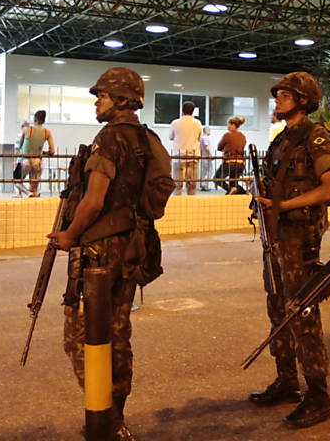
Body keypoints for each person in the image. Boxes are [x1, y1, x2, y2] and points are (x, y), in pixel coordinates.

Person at [48, 67, 151, 441]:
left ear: (122, 99)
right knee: (118, 331)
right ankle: (115, 417)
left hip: (99, 250)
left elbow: (93, 200)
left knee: (82, 334)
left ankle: (100, 412)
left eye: (102, 96)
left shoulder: (109, 139)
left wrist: (69, 235)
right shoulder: (143, 138)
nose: (97, 102)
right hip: (130, 246)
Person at [250, 71, 330, 429]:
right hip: (277, 239)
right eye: (278, 94)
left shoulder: (317, 137)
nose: (278, 99)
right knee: (277, 309)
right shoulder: (281, 140)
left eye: (285, 94)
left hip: (300, 240)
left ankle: (318, 394)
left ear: (303, 100)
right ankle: (287, 380)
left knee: (302, 314)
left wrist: (284, 206)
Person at [169, 101, 202, 195]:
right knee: (192, 185)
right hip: (193, 156)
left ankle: (177, 202)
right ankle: (191, 203)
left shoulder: (175, 123)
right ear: (193, 111)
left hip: (179, 156)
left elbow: (170, 137)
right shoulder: (197, 123)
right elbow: (199, 138)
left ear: (182, 110)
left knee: (178, 185)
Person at [19, 110, 56, 197]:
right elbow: (52, 151)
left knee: (16, 180)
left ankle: (28, 193)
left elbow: (20, 145)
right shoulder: (47, 132)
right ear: (44, 120)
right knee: (34, 187)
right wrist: (43, 152)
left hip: (25, 160)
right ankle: (33, 193)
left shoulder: (27, 129)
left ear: (34, 119)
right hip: (37, 161)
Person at [215, 116, 247, 194]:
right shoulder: (243, 136)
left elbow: (219, 147)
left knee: (217, 178)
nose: (227, 126)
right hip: (240, 163)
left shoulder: (227, 135)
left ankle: (235, 190)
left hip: (229, 163)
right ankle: (235, 190)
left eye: (228, 124)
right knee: (233, 183)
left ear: (233, 125)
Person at [199, 126, 213, 191]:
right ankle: (205, 184)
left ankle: (202, 184)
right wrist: (210, 155)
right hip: (207, 157)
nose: (210, 132)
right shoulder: (206, 138)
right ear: (207, 131)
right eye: (209, 130)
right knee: (210, 171)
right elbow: (206, 147)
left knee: (203, 171)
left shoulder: (201, 138)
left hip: (203, 156)